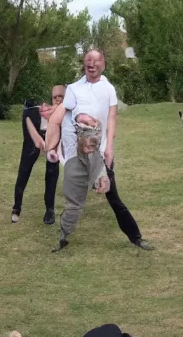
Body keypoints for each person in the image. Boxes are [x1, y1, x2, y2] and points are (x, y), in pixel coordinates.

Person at [44, 49, 153, 252]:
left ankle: (136, 238)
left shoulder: (108, 88)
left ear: (103, 64)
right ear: (84, 64)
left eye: (96, 60)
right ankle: (63, 237)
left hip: (99, 153)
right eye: (88, 60)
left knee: (113, 196)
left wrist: (109, 148)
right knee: (74, 203)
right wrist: (52, 147)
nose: (91, 64)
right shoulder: (74, 89)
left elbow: (111, 118)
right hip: (77, 153)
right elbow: (60, 117)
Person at [13, 86, 64, 225]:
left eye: (62, 96)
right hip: (34, 137)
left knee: (52, 173)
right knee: (24, 170)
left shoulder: (66, 111)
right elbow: (27, 124)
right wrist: (38, 143)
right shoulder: (34, 111)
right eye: (55, 97)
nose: (58, 99)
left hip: (53, 141)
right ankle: (16, 208)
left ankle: (50, 210)